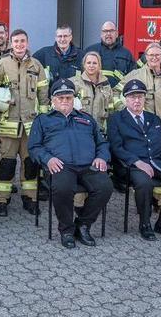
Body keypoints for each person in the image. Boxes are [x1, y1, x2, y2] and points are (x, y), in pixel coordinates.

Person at [29, 79, 113, 249]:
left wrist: (102, 157)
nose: (65, 101)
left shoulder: (87, 119)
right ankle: (66, 230)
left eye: (68, 97)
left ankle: (82, 225)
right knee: (63, 189)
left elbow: (102, 143)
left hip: (88, 165)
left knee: (105, 186)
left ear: (74, 99)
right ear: (53, 100)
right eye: (60, 98)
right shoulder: (43, 120)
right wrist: (48, 159)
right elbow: (34, 147)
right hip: (61, 166)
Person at [107, 79, 161, 240]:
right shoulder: (116, 119)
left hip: (159, 163)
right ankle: (144, 223)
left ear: (145, 98)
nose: (137, 100)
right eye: (132, 97)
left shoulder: (153, 118)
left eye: (140, 96)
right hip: (132, 166)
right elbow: (116, 147)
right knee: (144, 183)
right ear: (126, 99)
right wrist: (137, 162)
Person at [0, 29, 49, 216]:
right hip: (8, 126)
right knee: (6, 166)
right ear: (11, 43)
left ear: (27, 43)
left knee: (30, 166)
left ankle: (30, 199)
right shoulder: (1, 64)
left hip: (31, 128)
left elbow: (43, 97)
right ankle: (1, 202)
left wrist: (43, 124)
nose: (19, 44)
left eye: (22, 41)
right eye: (16, 41)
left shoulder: (37, 66)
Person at [114, 42, 161, 202]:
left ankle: (160, 205)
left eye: (157, 55)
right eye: (150, 55)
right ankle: (150, 202)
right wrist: (125, 111)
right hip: (143, 129)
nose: (154, 58)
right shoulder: (136, 75)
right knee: (148, 171)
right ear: (145, 57)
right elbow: (116, 92)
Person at [70, 52, 115, 132]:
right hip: (80, 129)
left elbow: (111, 108)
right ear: (84, 65)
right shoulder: (74, 82)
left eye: (94, 63)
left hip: (100, 130)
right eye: (88, 63)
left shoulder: (106, 85)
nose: (91, 66)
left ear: (99, 66)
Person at [85, 21, 133, 87]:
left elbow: (132, 77)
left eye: (111, 31)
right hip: (94, 94)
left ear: (116, 33)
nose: (108, 34)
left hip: (117, 95)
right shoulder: (90, 51)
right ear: (101, 34)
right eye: (105, 31)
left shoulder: (126, 54)